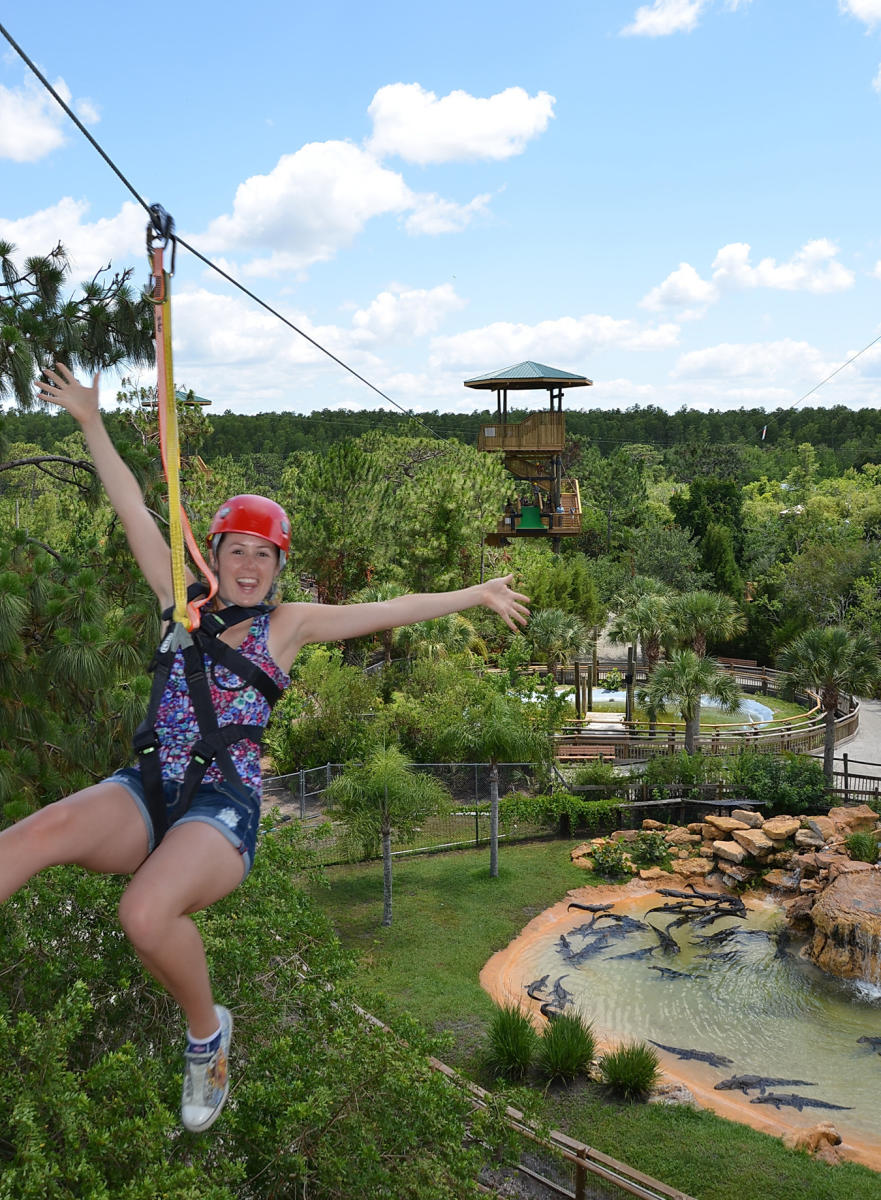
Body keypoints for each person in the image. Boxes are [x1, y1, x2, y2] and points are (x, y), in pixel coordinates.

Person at [0, 363, 530, 1134]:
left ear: (280, 567)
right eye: (235, 551)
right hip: (147, 786)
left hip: (222, 806)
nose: (247, 565)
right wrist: (90, 422)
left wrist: (472, 594)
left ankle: (206, 1035)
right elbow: (134, 513)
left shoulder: (289, 627)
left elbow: (389, 608)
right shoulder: (176, 601)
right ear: (213, 555)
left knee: (144, 914)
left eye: (263, 554)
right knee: (27, 838)